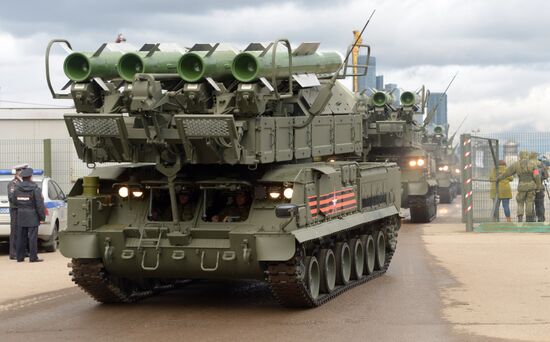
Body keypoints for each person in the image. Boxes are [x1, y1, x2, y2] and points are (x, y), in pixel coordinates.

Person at [497, 151, 541, 222]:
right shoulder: (533, 164)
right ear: (527, 155)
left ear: (520, 155)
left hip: (521, 187)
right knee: (529, 202)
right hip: (531, 187)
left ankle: (520, 219)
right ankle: (529, 219)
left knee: (520, 203)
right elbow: (537, 176)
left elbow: (507, 173)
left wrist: (499, 178)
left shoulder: (516, 164)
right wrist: (538, 186)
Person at [14, 167, 46, 262]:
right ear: (30, 177)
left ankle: (20, 257)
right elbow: (39, 204)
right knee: (32, 238)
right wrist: (42, 217)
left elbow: (13, 200)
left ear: (23, 177)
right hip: (32, 215)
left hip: (21, 215)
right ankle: (33, 257)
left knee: (20, 237)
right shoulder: (35, 189)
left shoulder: (17, 188)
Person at [7, 164, 28, 260]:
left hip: (23, 210)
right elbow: (12, 198)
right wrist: (22, 202)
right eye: (21, 171)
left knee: (23, 231)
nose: (22, 173)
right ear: (17, 172)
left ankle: (23, 251)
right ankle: (13, 252)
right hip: (16, 210)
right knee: (15, 231)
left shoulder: (23, 182)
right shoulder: (13, 184)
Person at [531, 152, 548, 222]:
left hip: (530, 187)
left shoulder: (528, 164)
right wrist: (542, 178)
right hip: (540, 187)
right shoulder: (542, 164)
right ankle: (541, 219)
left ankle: (531, 219)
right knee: (540, 204)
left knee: (530, 204)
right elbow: (546, 175)